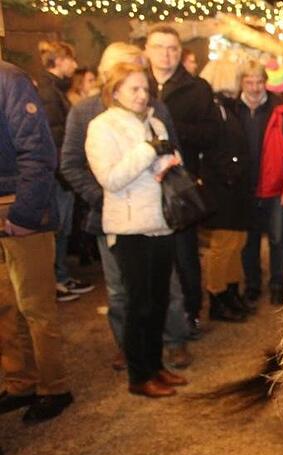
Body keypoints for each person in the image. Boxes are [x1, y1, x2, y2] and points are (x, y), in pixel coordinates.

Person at [60, 42, 194, 370]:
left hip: (156, 215)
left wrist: (170, 168)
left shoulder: (155, 111)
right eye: (129, 73)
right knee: (123, 293)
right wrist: (101, 198)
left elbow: (169, 150)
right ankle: (132, 351)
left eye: (141, 78)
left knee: (163, 287)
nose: (140, 89)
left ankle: (171, 343)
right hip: (112, 216)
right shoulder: (87, 115)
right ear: (112, 79)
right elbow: (71, 164)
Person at [86, 61, 188, 397]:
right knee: (138, 302)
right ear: (114, 91)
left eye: (145, 89)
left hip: (161, 221)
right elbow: (111, 179)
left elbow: (166, 165)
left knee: (159, 300)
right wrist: (147, 152)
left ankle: (156, 366)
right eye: (134, 89)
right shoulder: (103, 127)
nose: (142, 95)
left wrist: (169, 161)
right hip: (129, 227)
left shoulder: (156, 122)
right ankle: (139, 375)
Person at [0, 60, 74, 423]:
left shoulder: (8, 79)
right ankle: (20, 381)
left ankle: (54, 386)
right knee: (5, 307)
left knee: (35, 306)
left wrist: (23, 215)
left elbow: (39, 153)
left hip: (18, 211)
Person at [144, 24, 219, 336]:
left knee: (185, 255)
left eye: (173, 48)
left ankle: (190, 313)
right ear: (147, 50)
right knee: (150, 259)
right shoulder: (138, 85)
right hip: (142, 186)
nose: (166, 54)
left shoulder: (197, 88)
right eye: (160, 47)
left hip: (179, 185)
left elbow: (211, 134)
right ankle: (157, 321)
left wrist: (171, 132)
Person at [237, 61, 283, 306]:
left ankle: (277, 284)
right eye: (249, 82)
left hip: (274, 188)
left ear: (266, 83)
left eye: (258, 82)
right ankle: (252, 284)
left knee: (277, 239)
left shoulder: (280, 110)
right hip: (246, 188)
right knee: (249, 241)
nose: (254, 88)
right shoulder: (234, 109)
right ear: (242, 83)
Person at [36, 41, 95, 303]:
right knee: (59, 228)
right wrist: (67, 173)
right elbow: (55, 137)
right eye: (70, 60)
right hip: (59, 175)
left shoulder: (55, 90)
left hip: (61, 173)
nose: (74, 65)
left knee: (64, 227)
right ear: (58, 61)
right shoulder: (50, 92)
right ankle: (56, 280)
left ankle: (61, 275)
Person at [197, 59, 253, 321]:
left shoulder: (225, 108)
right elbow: (214, 149)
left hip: (234, 188)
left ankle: (231, 291)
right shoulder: (215, 109)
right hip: (223, 189)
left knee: (234, 243)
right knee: (222, 245)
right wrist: (231, 173)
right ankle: (217, 296)